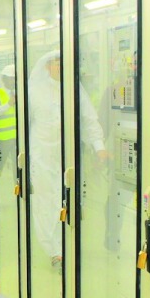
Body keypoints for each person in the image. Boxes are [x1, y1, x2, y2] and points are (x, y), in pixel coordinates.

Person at [26, 50, 107, 268]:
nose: (59, 67)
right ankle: (53, 250)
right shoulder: (34, 92)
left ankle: (65, 246)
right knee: (45, 202)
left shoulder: (74, 90)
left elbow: (89, 119)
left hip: (68, 155)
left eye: (63, 63)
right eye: (55, 63)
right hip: (41, 155)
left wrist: (98, 146)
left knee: (66, 199)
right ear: (47, 66)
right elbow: (25, 125)